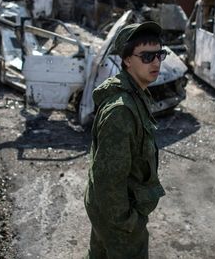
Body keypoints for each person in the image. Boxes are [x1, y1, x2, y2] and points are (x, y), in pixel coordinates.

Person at [84, 21, 167, 259]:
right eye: (147, 56)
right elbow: (108, 180)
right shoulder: (121, 111)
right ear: (127, 60)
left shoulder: (135, 93)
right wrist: (129, 222)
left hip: (106, 209)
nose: (156, 62)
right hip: (117, 216)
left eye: (160, 54)